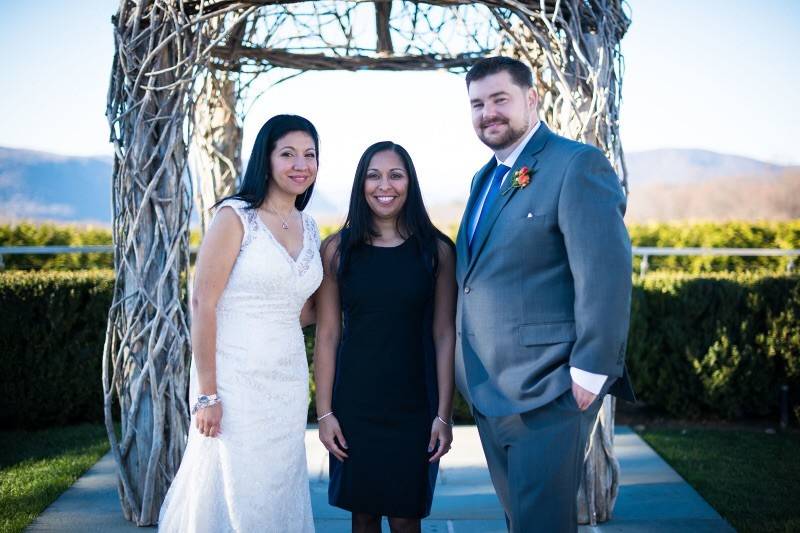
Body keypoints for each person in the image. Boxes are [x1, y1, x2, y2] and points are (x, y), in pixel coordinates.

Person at [454, 56, 636, 532]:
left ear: (531, 99)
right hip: (490, 391)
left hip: (549, 389)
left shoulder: (576, 165)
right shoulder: (482, 179)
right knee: (522, 521)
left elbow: (605, 272)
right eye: (477, 104)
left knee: (542, 525)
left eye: (500, 99)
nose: (488, 112)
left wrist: (592, 370)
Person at [158, 114, 323, 532]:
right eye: (288, 154)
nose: (300, 164)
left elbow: (298, 309)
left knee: (279, 482)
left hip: (285, 379)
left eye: (309, 155)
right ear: (265, 159)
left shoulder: (311, 226)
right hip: (234, 379)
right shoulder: (236, 217)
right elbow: (202, 302)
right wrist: (207, 393)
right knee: (236, 481)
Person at [313, 141, 457, 533]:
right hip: (356, 404)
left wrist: (444, 414)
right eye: (373, 175)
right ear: (361, 184)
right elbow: (327, 334)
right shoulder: (337, 250)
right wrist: (324, 413)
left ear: (410, 182)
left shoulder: (438, 251)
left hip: (415, 405)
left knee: (406, 519)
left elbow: (445, 335)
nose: (384, 185)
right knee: (362, 517)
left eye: (396, 174)